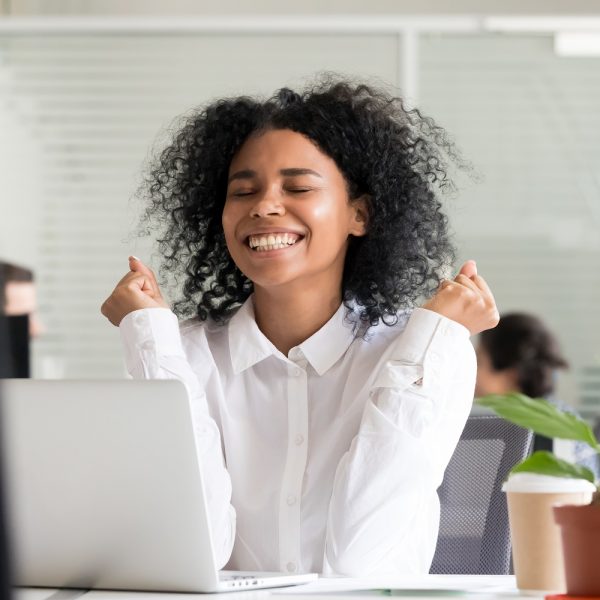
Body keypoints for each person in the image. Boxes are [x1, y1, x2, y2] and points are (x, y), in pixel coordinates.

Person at [101, 78, 499, 576]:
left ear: (360, 214)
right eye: (243, 190)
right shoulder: (182, 354)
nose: (264, 205)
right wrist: (150, 340)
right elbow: (197, 553)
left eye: (298, 187)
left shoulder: (419, 355)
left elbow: (361, 562)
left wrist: (435, 336)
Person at [475, 312, 599, 478]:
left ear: (512, 375)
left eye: (479, 361)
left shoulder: (550, 435)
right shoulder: (550, 418)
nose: (471, 370)